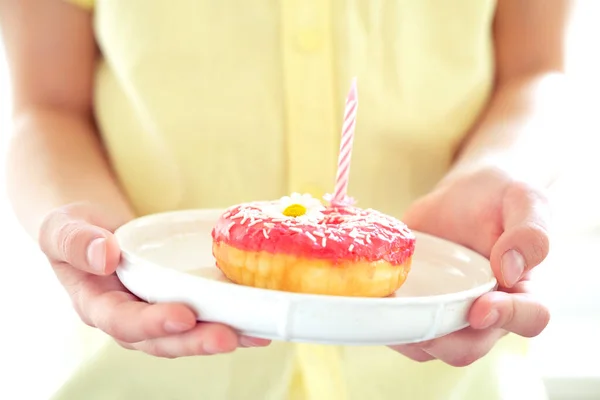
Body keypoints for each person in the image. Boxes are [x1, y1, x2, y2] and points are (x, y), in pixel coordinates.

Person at [0, 0, 574, 399]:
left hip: (449, 381)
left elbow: (536, 70)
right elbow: (46, 104)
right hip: (141, 380)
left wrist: (501, 170)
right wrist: (85, 225)